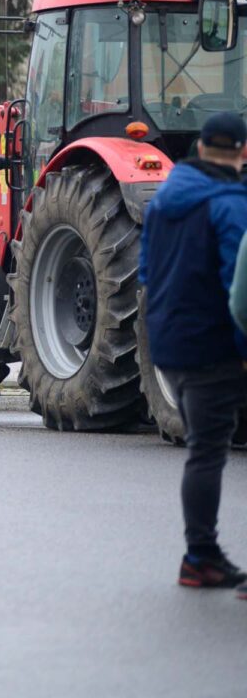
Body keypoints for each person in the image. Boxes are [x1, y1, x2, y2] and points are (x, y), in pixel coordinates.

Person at [138, 111, 247, 589]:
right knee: (208, 452)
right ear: (242, 153)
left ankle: (200, 556)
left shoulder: (162, 202)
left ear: (201, 149)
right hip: (218, 348)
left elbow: (146, 275)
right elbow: (240, 291)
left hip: (169, 349)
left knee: (206, 451)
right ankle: (201, 556)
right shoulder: (231, 205)